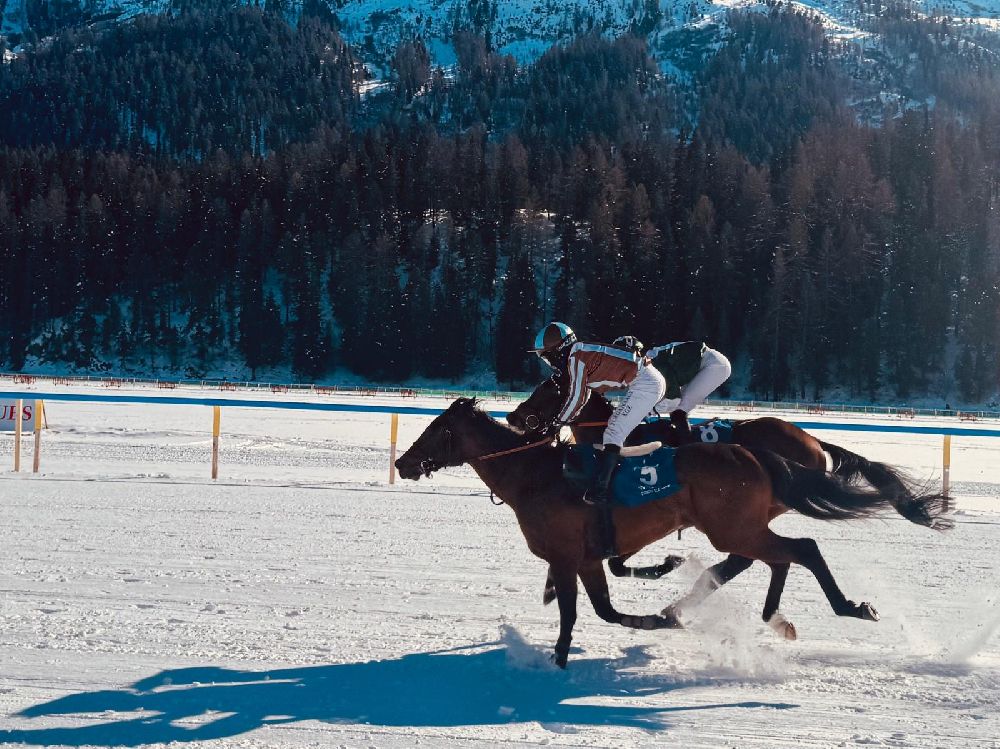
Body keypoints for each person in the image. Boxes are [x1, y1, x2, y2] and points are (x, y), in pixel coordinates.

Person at [530, 322, 667, 556]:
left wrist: (557, 423)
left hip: (646, 384)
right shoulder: (579, 353)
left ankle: (601, 488)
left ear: (559, 349)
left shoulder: (576, 358)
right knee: (614, 428)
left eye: (547, 357)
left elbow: (576, 399)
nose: (548, 363)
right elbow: (585, 396)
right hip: (646, 381)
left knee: (613, 432)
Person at [646, 341, 732, 443]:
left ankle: (687, 450)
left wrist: (650, 411)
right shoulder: (651, 360)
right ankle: (685, 445)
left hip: (714, 365)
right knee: (677, 412)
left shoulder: (654, 366)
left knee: (678, 411)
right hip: (709, 361)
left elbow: (673, 399)